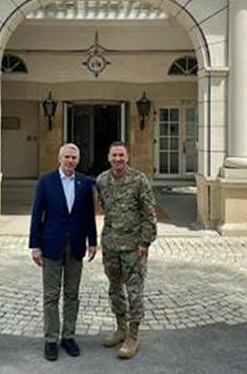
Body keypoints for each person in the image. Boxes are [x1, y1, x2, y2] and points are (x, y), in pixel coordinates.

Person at [29, 143, 97, 361]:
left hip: (76, 246)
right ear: (59, 159)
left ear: (78, 160)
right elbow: (37, 214)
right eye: (67, 157)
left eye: (74, 158)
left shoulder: (85, 183)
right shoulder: (46, 182)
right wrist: (35, 246)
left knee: (72, 295)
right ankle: (51, 340)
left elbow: (88, 216)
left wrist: (93, 242)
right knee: (51, 296)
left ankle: (68, 336)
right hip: (51, 246)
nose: (70, 161)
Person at [96, 141, 157, 359]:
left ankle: (133, 335)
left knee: (134, 292)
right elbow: (105, 207)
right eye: (114, 155)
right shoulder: (102, 181)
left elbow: (149, 214)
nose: (118, 159)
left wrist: (144, 242)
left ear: (127, 157)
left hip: (133, 247)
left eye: (121, 155)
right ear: (108, 157)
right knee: (114, 289)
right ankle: (120, 327)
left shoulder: (139, 180)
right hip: (111, 245)